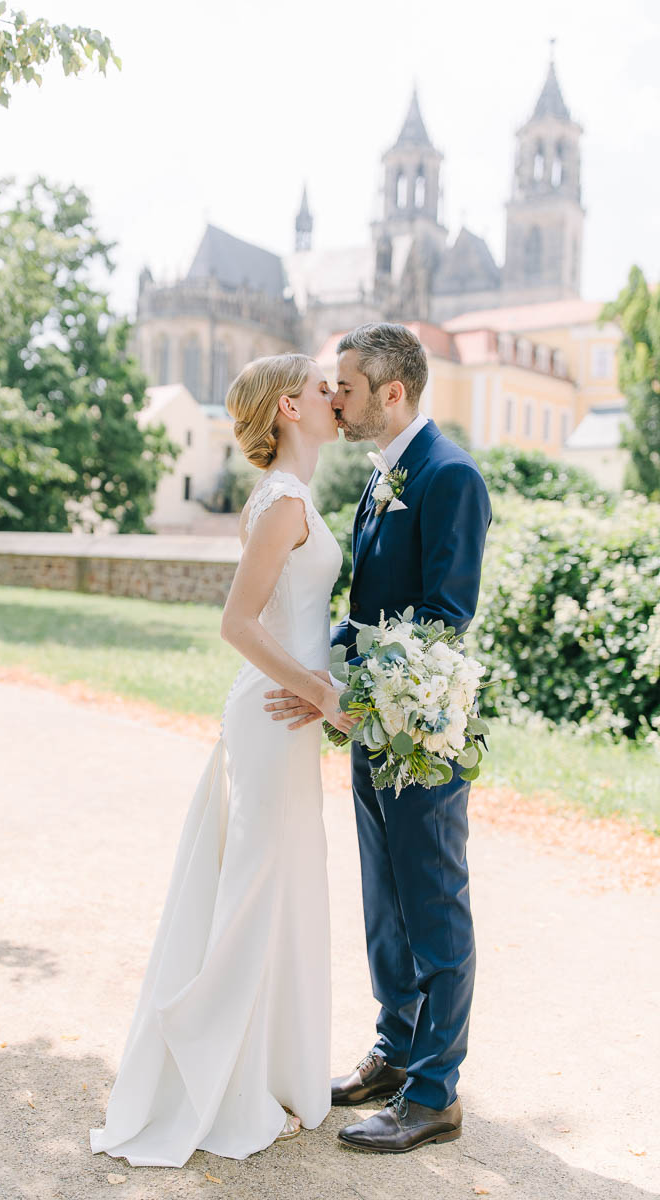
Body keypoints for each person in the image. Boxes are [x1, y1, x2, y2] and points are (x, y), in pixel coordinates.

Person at [90, 353, 353, 1167]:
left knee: (284, 883)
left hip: (291, 711)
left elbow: (298, 614)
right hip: (275, 714)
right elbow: (237, 623)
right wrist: (321, 692)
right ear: (287, 407)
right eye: (321, 388)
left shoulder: (301, 497)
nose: (334, 396)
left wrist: (325, 681)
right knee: (253, 886)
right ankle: (206, 1057)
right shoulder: (280, 503)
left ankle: (271, 1068)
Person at [264, 323, 492, 1154]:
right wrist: (312, 674)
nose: (336, 399)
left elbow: (445, 617)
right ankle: (396, 1053)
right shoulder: (381, 478)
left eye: (348, 387)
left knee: (433, 903)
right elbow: (365, 613)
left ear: (392, 393)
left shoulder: (450, 477)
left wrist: (346, 690)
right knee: (384, 904)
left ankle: (436, 1093)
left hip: (420, 731)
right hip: (370, 725)